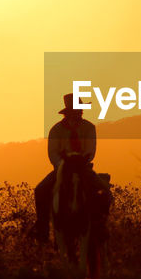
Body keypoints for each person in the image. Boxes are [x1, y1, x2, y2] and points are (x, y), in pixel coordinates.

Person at [32, 93, 98, 243]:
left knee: (102, 191)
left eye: (80, 111)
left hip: (83, 167)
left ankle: (99, 224)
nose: (79, 114)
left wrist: (81, 162)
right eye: (76, 111)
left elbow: (90, 150)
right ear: (68, 113)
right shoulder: (56, 130)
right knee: (41, 190)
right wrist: (62, 165)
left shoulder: (89, 128)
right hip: (63, 168)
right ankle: (42, 228)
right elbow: (53, 153)